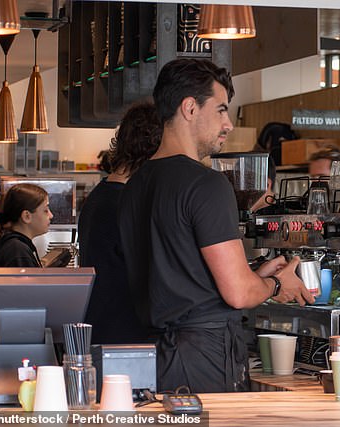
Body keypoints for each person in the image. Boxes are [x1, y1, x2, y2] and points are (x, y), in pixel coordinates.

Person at [118, 58, 314, 393]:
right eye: (221, 110)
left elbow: (180, 275)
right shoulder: (206, 184)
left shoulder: (135, 185)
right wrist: (279, 285)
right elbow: (238, 293)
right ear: (190, 107)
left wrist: (256, 273)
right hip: (202, 358)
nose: (228, 124)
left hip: (155, 355)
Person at [78, 102, 162, 344]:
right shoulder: (124, 205)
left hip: (103, 330)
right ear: (153, 149)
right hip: (124, 338)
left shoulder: (101, 197)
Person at [0, 184, 52, 267]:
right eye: (45, 210)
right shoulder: (18, 252)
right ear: (26, 216)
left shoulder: (15, 246)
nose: (51, 215)